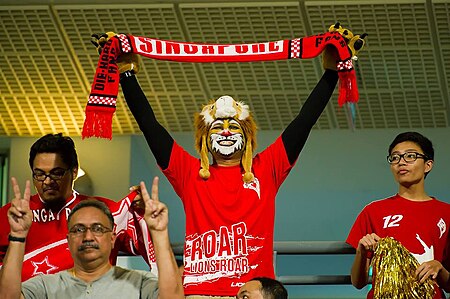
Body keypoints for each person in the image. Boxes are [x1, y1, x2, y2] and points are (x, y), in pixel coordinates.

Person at [92, 24, 364, 297]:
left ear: (247, 136)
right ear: (204, 139)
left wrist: (331, 73)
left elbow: (304, 122)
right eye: (217, 126)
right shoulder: (189, 172)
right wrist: (126, 73)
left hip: (253, 293)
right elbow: (150, 126)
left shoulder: (266, 168)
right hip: (199, 293)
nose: (224, 131)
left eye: (233, 126)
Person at [0, 133, 156, 281]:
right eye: (39, 174)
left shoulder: (103, 211)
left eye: (56, 173)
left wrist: (143, 213)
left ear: (74, 171)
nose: (47, 181)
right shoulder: (12, 215)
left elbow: (148, 248)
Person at [0, 176, 184, 298]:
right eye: (79, 230)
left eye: (97, 228)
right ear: (68, 240)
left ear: (112, 238)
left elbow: (173, 297)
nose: (88, 236)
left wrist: (159, 234)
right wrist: (17, 236)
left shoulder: (138, 282)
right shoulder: (47, 285)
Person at [346, 131, 450, 298]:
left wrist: (439, 267)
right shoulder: (373, 211)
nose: (401, 162)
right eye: (395, 158)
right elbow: (358, 283)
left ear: (428, 165)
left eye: (410, 156)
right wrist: (361, 252)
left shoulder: (446, 213)